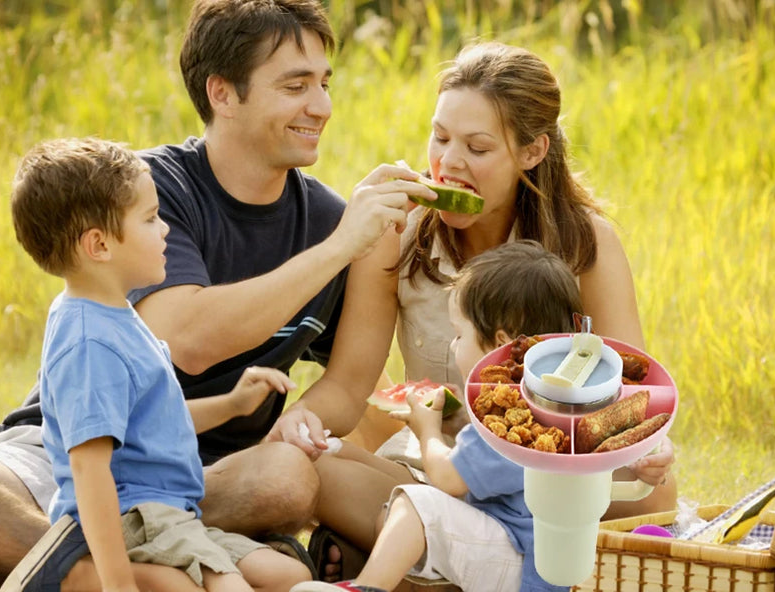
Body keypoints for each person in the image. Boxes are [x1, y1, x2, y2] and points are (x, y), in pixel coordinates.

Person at [0, 0, 433, 584]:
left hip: (198, 474)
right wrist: (339, 247)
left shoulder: (331, 219)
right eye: (295, 86)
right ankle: (100, 575)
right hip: (64, 462)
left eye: (324, 84)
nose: (322, 107)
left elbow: (353, 381)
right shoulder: (145, 194)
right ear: (223, 94)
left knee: (286, 477)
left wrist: (302, 420)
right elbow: (187, 339)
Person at [264, 42, 678, 581]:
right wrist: (298, 424)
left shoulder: (585, 244)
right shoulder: (398, 234)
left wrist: (641, 449)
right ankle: (434, 555)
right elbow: (349, 385)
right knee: (304, 464)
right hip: (443, 472)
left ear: (532, 152)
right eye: (439, 138)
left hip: (551, 483)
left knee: (655, 494)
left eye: (477, 148)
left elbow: (632, 394)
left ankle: (408, 556)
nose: (448, 162)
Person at [0, 137, 308, 592]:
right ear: (98, 245)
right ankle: (81, 577)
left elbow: (155, 420)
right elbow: (89, 470)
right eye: (150, 219)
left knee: (290, 575)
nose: (165, 230)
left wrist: (232, 405)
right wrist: (117, 584)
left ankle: (138, 577)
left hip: (171, 515)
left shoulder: (117, 315)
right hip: (133, 519)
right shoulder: (90, 342)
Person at [294, 242, 668, 592]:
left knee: (417, 504)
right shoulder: (565, 403)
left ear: (501, 343)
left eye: (459, 336)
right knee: (375, 487)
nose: (455, 347)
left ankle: (366, 587)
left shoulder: (515, 418)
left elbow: (447, 478)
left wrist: (426, 430)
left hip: (520, 564)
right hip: (530, 554)